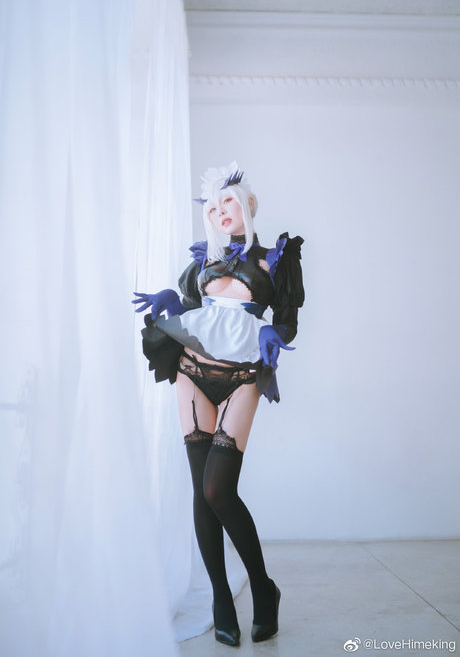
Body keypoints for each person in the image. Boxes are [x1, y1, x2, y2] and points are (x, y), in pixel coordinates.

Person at [132, 162, 304, 647]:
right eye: (212, 206)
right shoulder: (205, 261)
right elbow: (195, 310)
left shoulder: (276, 259)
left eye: (227, 200)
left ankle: (264, 588)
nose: (219, 210)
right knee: (200, 489)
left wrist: (274, 330)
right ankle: (220, 598)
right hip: (193, 371)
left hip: (241, 377)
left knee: (217, 489)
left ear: (248, 204)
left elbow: (288, 318)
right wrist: (174, 299)